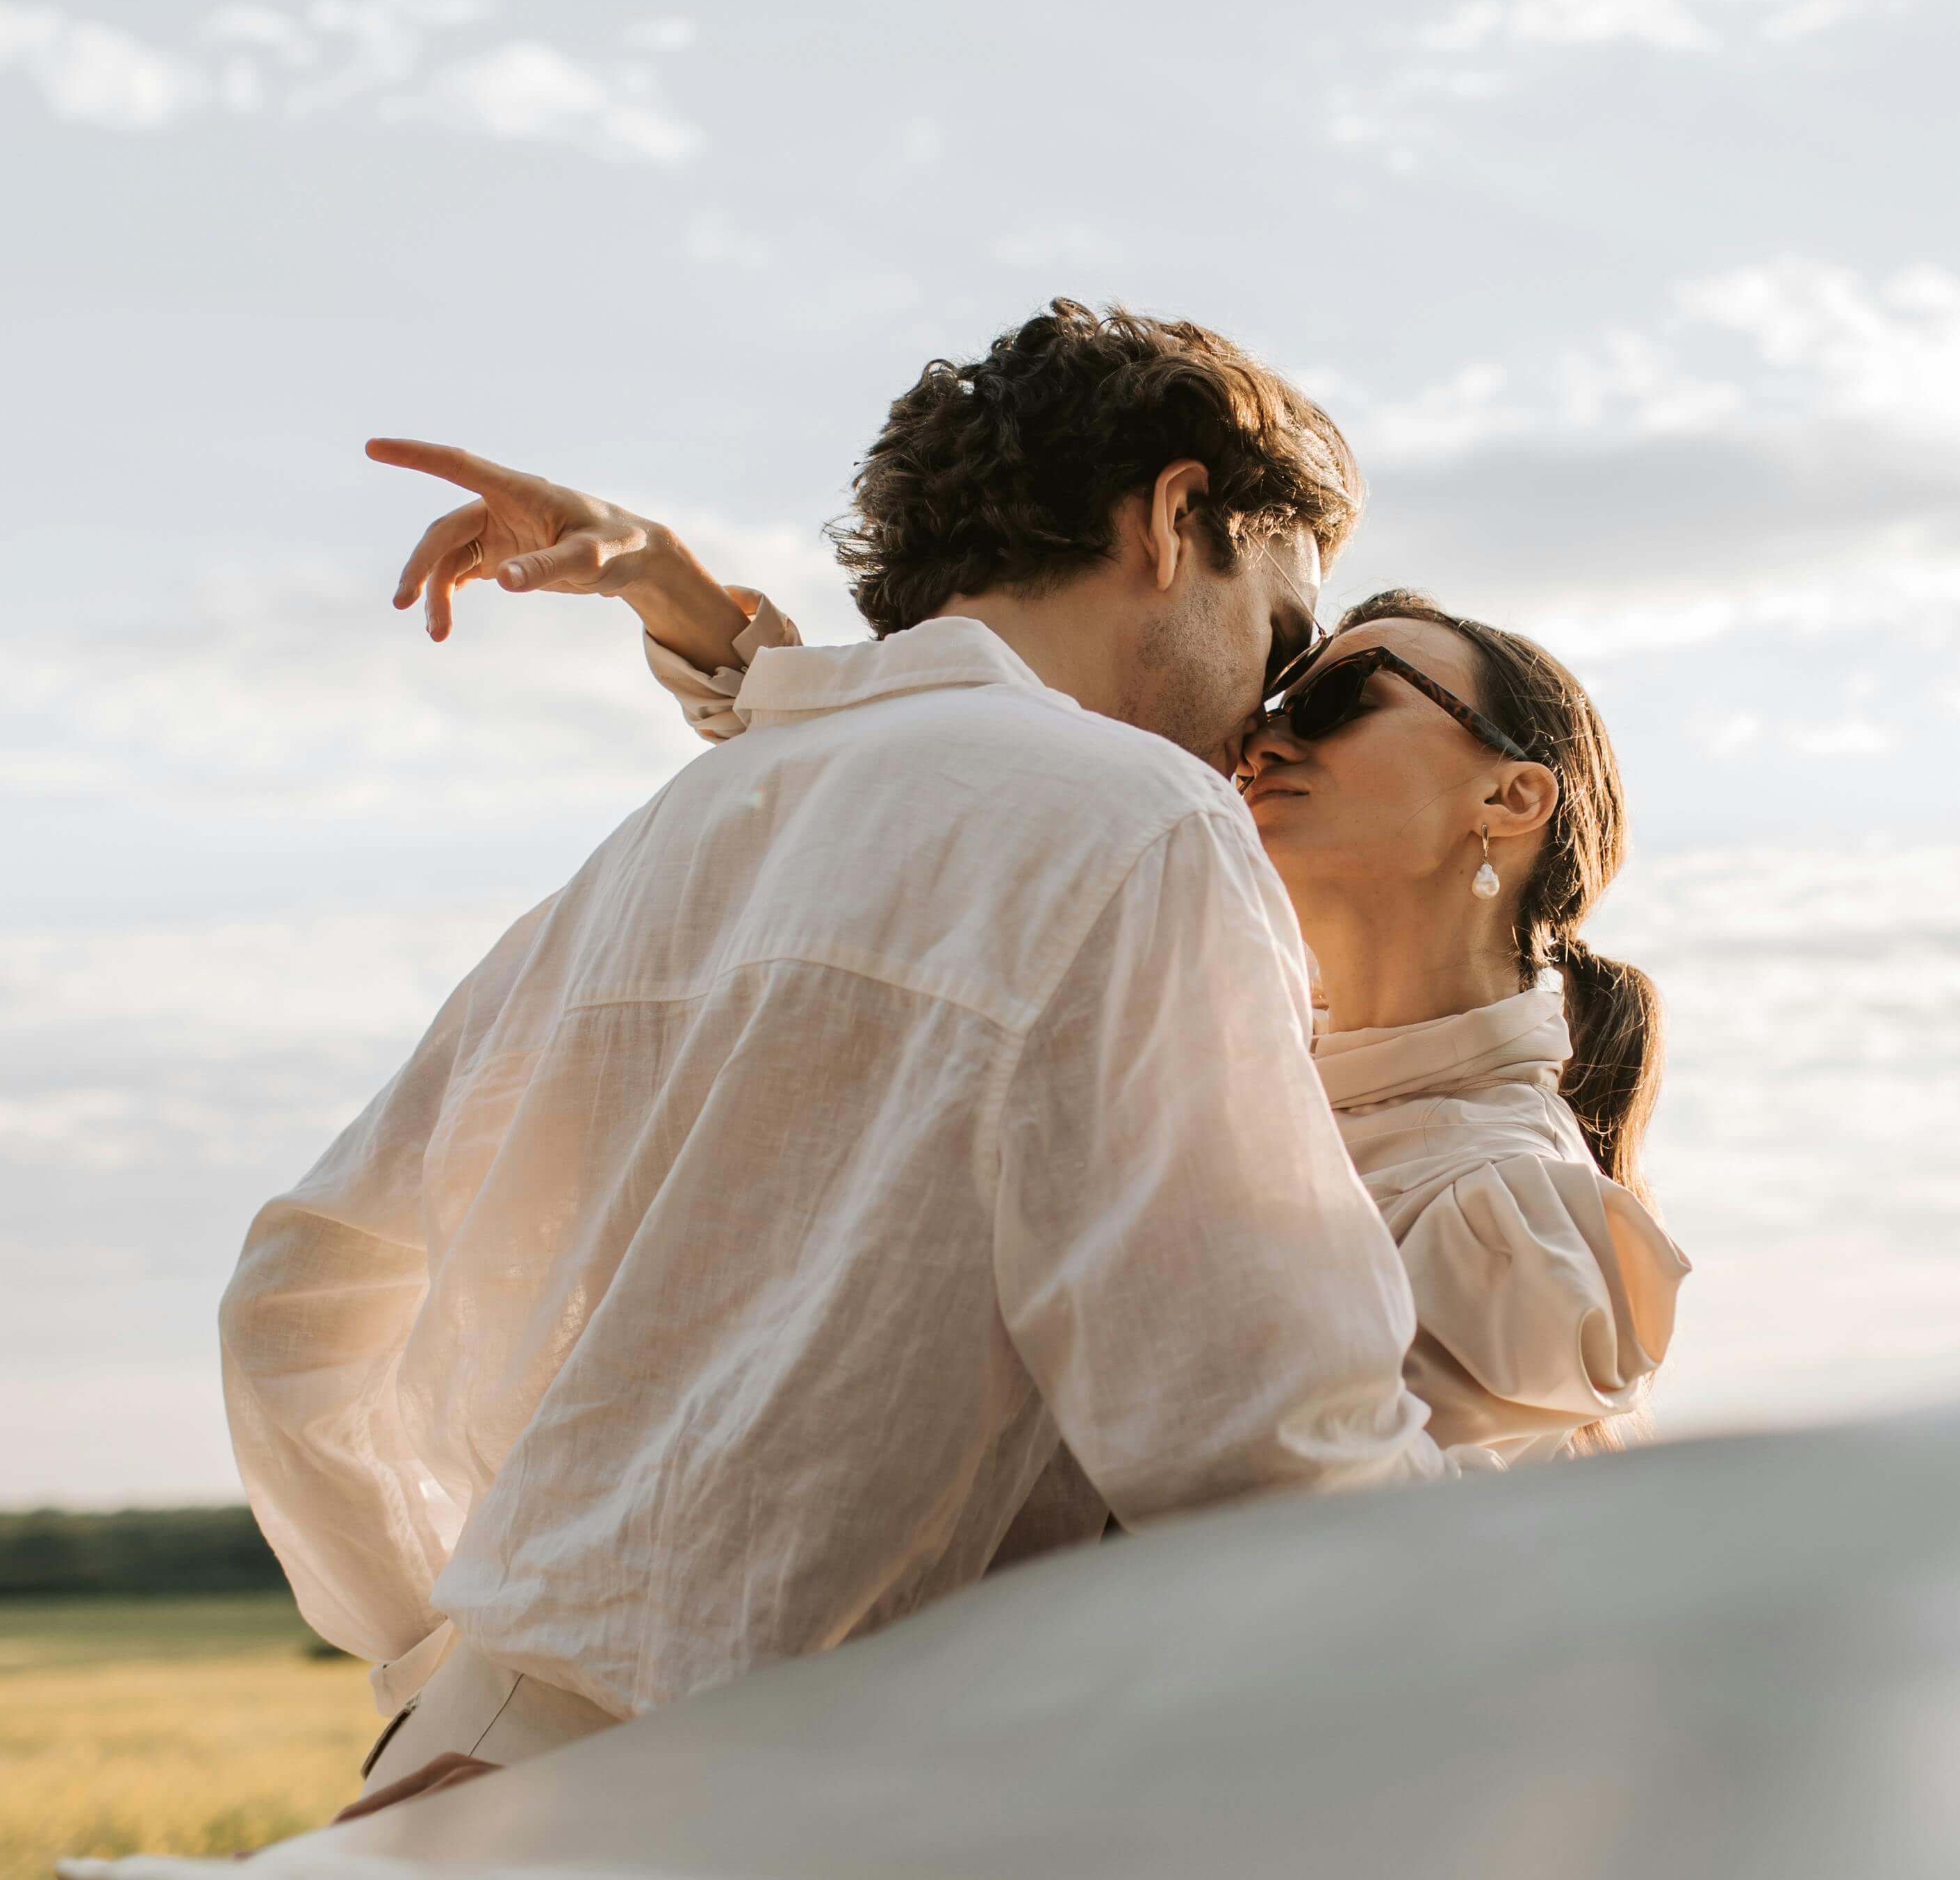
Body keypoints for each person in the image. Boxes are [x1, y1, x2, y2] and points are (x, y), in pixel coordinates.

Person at [218, 302, 1462, 1820]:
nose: (1259, 720)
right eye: (1277, 630)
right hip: (766, 1810)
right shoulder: (1142, 825)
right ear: (1176, 516)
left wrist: (462, 1664)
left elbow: (289, 1311)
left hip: (435, 1796)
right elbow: (1272, 1445)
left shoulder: (669, 838)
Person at [620, 582, 1689, 1469]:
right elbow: (977, 794)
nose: (1267, 739)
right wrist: (697, 619)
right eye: (1268, 710)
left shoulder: (1502, 1208)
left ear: (1511, 799)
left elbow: (1368, 1594)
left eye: (1341, 698)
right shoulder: (1211, 1031)